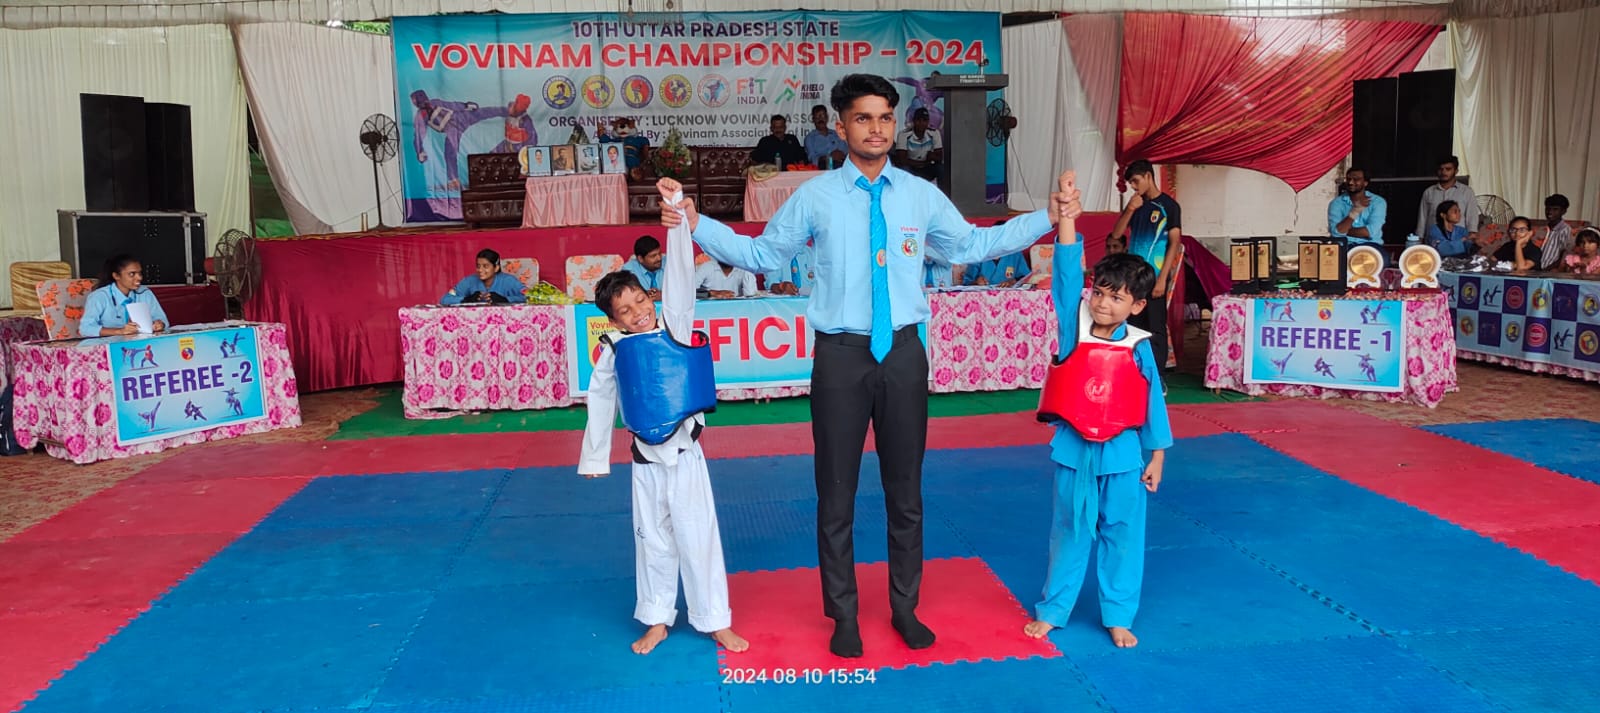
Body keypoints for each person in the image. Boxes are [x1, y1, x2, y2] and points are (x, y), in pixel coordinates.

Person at [661, 73, 1078, 658]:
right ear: (841, 127)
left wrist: (1045, 216)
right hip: (841, 357)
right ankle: (844, 614)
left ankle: (905, 608)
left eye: (885, 117)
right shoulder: (815, 197)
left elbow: (970, 246)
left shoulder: (918, 194)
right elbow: (761, 254)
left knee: (906, 493)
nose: (876, 128)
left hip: (903, 354)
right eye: (863, 118)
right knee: (836, 494)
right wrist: (694, 221)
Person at [580, 178, 748, 657]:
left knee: (699, 538)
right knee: (652, 541)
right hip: (645, 462)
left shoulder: (674, 323)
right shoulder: (614, 348)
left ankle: (715, 620)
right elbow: (600, 400)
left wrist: (675, 215)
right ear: (613, 320)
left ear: (649, 297)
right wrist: (595, 457)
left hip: (686, 454)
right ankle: (656, 618)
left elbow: (679, 279)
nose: (636, 313)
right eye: (624, 311)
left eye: (639, 301)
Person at [1025, 172, 1171, 649]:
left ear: (1137, 305)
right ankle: (1053, 610)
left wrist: (1157, 455)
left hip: (1124, 453)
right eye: (1101, 292)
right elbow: (1067, 275)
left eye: (1117, 297)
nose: (1105, 303)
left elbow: (1152, 402)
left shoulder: (1140, 346)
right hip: (1075, 449)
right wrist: (1068, 216)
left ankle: (1119, 615)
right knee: (1069, 530)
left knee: (1122, 534)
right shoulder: (1075, 327)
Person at [1108, 160, 1182, 373]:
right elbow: (1116, 234)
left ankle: (1157, 377)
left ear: (1149, 176)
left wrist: (1162, 279)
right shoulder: (1136, 205)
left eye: (1136, 181)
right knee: (1133, 325)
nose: (1133, 186)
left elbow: (1174, 243)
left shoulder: (1169, 206)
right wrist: (1130, 209)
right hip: (1133, 277)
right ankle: (1135, 372)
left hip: (1155, 276)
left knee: (1155, 328)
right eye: (1131, 183)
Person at [81, 254, 169, 337]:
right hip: (110, 344)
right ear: (116, 276)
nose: (139, 278)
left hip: (140, 341)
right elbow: (85, 328)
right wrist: (119, 331)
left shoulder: (145, 293)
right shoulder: (99, 296)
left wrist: (160, 324)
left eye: (140, 273)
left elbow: (162, 319)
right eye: (132, 274)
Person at [1415, 155, 1479, 241]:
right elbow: (1422, 220)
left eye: (1448, 169)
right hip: (1433, 242)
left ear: (1456, 171)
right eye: (1441, 169)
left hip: (1458, 242)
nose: (1443, 172)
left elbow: (1472, 219)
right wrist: (1419, 240)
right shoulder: (1429, 192)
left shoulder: (1467, 192)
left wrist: (1471, 239)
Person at [440, 249, 526, 305]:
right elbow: (444, 299)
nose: (480, 270)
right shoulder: (469, 281)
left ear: (496, 268)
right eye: (478, 266)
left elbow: (529, 297)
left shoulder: (509, 281)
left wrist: (505, 300)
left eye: (485, 266)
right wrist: (466, 299)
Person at [1327, 167, 1387, 245]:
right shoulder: (1336, 203)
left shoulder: (1377, 202)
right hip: (1344, 245)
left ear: (1365, 183)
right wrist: (1355, 211)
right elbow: (1335, 233)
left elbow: (1370, 232)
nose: (1350, 182)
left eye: (1356, 179)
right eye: (1348, 179)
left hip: (1370, 245)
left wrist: (1344, 230)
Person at [894, 108, 943, 182]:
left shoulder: (934, 133)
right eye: (918, 120)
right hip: (911, 168)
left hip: (927, 168)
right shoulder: (903, 134)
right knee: (904, 169)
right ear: (913, 121)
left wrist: (932, 157)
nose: (921, 123)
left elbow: (940, 157)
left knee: (941, 168)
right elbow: (902, 160)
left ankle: (942, 189)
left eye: (924, 120)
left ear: (928, 122)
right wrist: (924, 162)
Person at [1532, 194, 1575, 271]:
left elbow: (1565, 256)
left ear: (1563, 211)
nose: (1550, 212)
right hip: (1536, 269)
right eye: (1548, 208)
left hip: (1551, 271)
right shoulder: (1542, 229)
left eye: (1555, 209)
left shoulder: (1565, 230)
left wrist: (1547, 270)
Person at [804, 105, 848, 169]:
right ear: (813, 119)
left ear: (827, 118)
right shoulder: (810, 138)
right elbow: (812, 159)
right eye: (817, 117)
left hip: (840, 166)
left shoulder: (837, 134)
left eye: (822, 116)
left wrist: (840, 155)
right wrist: (829, 157)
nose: (820, 119)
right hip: (821, 168)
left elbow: (845, 152)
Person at [963, 250, 1030, 287]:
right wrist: (976, 283)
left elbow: (1027, 278)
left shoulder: (1015, 254)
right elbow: (967, 283)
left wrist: (1014, 281)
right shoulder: (979, 255)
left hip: (1010, 298)